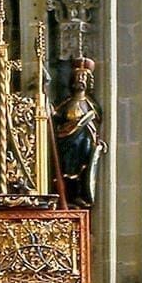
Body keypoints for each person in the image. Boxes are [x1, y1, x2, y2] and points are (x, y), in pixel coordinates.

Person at [53, 58, 105, 208]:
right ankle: (67, 198)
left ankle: (80, 197)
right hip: (66, 141)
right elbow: (57, 117)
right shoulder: (66, 103)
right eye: (77, 76)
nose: (80, 80)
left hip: (84, 143)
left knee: (83, 168)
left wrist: (97, 141)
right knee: (66, 170)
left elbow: (94, 125)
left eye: (83, 77)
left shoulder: (91, 105)